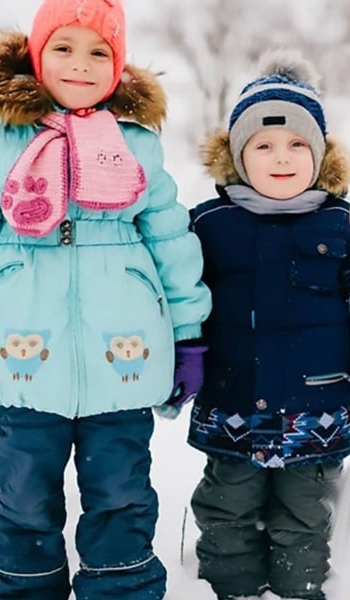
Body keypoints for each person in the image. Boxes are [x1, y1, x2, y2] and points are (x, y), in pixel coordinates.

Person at [0, 0, 211, 598]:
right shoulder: (0, 144)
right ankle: (25, 589)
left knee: (122, 496)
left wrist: (189, 335)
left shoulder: (136, 146)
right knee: (22, 499)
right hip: (22, 365)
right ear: (35, 56)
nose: (81, 64)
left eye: (99, 51)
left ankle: (120, 589)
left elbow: (172, 243)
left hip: (121, 366)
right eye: (64, 48)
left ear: (119, 65)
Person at [183, 50, 350, 600]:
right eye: (264, 145)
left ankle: (298, 589)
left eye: (297, 144)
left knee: (304, 514)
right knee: (226, 507)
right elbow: (179, 300)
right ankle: (229, 589)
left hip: (317, 410)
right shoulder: (208, 226)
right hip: (234, 401)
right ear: (237, 155)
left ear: (320, 154)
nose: (282, 158)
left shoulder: (342, 224)